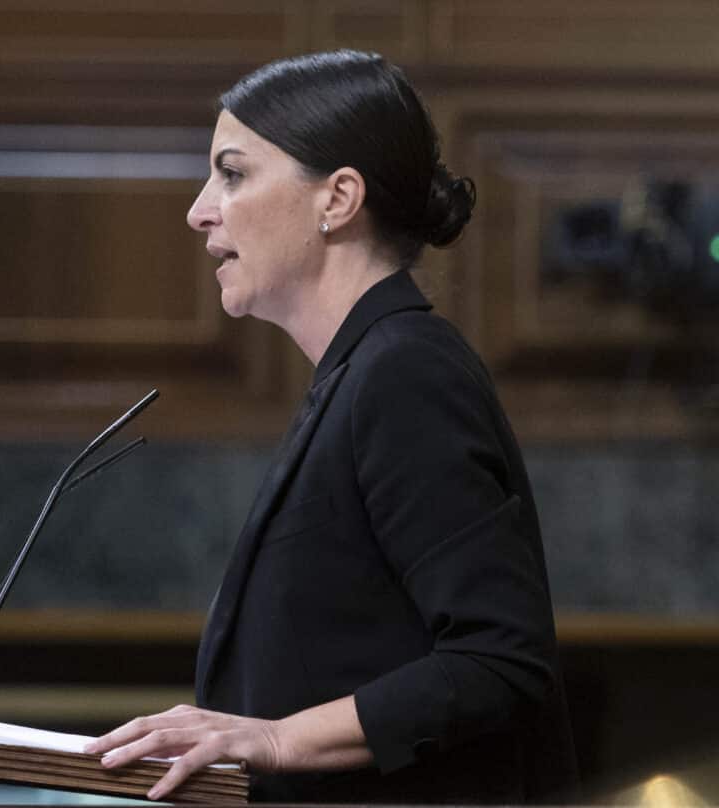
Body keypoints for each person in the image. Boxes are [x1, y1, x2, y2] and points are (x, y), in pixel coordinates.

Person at [82, 50, 579, 804]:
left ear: (339, 197)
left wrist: (276, 738)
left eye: (234, 172)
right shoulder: (366, 370)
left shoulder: (405, 374)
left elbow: (499, 659)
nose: (199, 208)